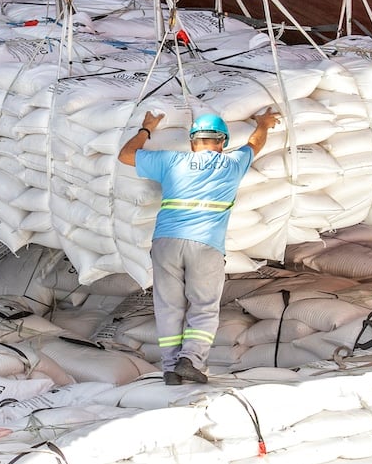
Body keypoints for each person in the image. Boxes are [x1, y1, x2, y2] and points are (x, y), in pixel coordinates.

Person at [117, 107, 280, 385]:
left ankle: (170, 368)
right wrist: (263, 123)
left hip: (165, 242)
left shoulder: (171, 161)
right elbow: (256, 143)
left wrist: (147, 129)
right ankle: (190, 360)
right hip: (206, 245)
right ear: (224, 142)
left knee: (168, 306)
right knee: (203, 306)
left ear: (192, 142)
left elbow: (125, 156)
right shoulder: (232, 164)